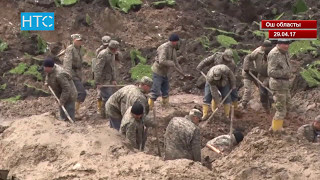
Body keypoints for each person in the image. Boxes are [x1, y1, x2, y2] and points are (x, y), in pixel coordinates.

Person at [196, 49, 237, 120]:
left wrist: (233, 85)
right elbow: (214, 91)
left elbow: (232, 76)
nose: (227, 60)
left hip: (225, 80)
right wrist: (218, 103)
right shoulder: (210, 77)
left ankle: (226, 116)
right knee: (207, 96)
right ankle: (205, 115)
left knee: (226, 97)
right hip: (212, 79)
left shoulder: (228, 67)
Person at [148, 34, 186, 109]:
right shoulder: (164, 48)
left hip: (165, 72)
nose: (178, 43)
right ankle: (149, 107)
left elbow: (176, 62)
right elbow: (162, 61)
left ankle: (165, 106)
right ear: (174, 41)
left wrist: (182, 73)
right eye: (177, 42)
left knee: (165, 90)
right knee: (155, 91)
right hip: (158, 71)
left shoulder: (173, 49)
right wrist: (170, 63)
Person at [241, 40, 273, 113]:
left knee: (266, 91)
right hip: (250, 73)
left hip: (263, 75)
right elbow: (248, 57)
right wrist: (246, 67)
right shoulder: (258, 52)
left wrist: (266, 81)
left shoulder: (273, 55)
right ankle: (244, 105)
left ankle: (269, 107)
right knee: (249, 90)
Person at [267, 39, 292, 132]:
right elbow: (270, 72)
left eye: (288, 44)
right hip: (278, 84)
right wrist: (284, 72)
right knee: (281, 109)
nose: (287, 46)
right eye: (284, 44)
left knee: (288, 105)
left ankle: (276, 126)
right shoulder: (274, 54)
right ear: (279, 44)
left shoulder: (284, 53)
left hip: (284, 84)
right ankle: (276, 131)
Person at [94, 40, 120, 117]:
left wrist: (113, 79)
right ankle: (104, 114)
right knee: (107, 97)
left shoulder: (112, 54)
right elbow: (98, 69)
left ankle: (106, 113)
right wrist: (98, 82)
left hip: (108, 79)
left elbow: (112, 68)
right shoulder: (103, 54)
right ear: (114, 48)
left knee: (108, 96)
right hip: (103, 80)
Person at [63, 34, 87, 115]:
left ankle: (74, 111)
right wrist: (68, 75)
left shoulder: (80, 49)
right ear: (73, 40)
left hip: (77, 73)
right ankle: (75, 112)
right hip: (72, 74)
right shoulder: (70, 49)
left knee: (76, 93)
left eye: (80, 40)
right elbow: (67, 63)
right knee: (81, 92)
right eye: (78, 40)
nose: (79, 42)